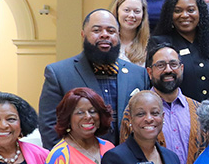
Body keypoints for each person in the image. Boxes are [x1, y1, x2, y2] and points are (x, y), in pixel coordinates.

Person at [39, 9, 149, 148]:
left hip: (130, 161)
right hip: (81, 161)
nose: (105, 35)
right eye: (97, 30)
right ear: (83, 34)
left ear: (119, 36)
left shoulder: (139, 74)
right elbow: (49, 126)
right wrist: (67, 161)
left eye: (111, 31)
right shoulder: (59, 73)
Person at [119, 40, 205, 164]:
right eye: (160, 65)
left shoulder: (199, 111)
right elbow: (126, 159)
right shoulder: (134, 111)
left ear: (181, 69)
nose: (168, 70)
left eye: (173, 64)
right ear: (149, 72)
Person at [112, 0, 152, 68]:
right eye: (126, 10)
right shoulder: (106, 43)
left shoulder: (150, 46)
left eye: (137, 11)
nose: (131, 15)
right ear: (117, 11)